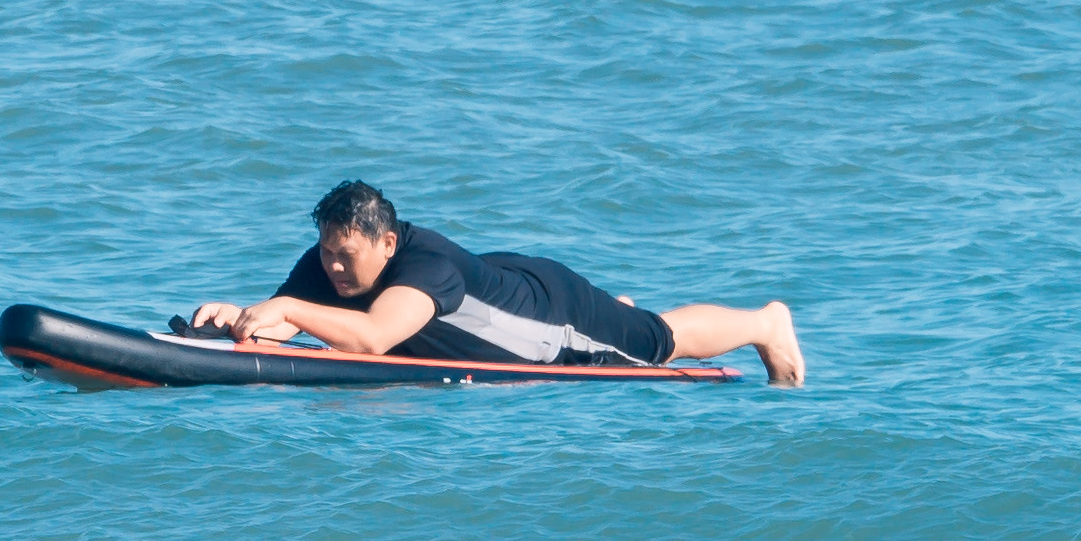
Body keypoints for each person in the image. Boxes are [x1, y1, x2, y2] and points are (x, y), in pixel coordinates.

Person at [191, 178, 805, 386]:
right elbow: (285, 317)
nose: (333, 268)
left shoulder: (423, 268)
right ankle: (613, 307)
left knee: (656, 340)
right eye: (327, 253)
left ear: (386, 242)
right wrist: (240, 317)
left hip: (553, 318)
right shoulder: (329, 262)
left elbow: (374, 337)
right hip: (499, 283)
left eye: (346, 255)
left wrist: (290, 310)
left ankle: (764, 322)